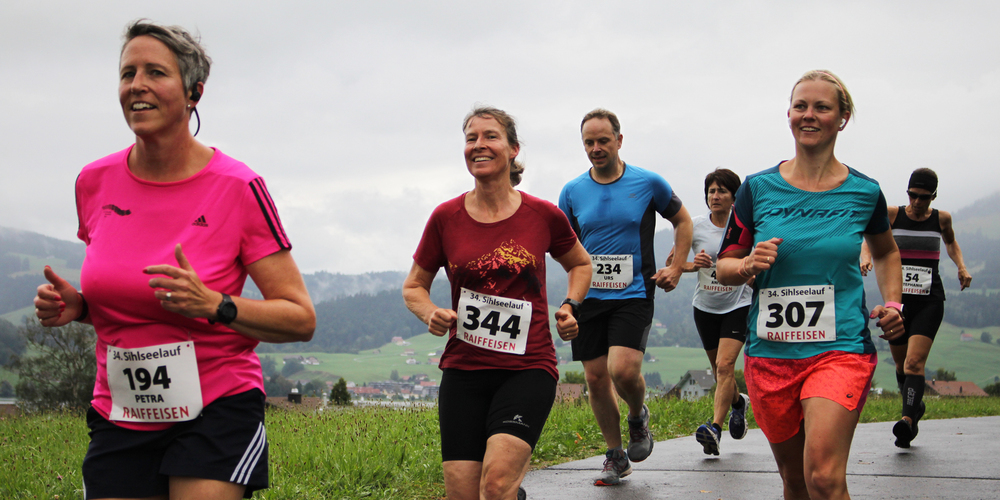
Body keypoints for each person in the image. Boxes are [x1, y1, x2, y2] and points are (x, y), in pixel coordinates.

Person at [33, 20, 316, 500]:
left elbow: (300, 318)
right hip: (123, 409)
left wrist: (215, 304)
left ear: (193, 92)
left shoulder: (238, 187)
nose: (136, 85)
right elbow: (127, 299)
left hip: (217, 407)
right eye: (128, 73)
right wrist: (79, 307)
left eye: (155, 72)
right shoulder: (93, 182)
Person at [715, 70, 904, 500]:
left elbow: (887, 251)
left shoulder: (863, 191)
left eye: (822, 107)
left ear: (843, 118)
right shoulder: (757, 188)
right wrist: (747, 263)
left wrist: (894, 302)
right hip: (771, 355)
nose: (809, 115)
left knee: (823, 476)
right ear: (788, 115)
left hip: (840, 351)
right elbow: (724, 267)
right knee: (795, 483)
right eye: (801, 106)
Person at [402, 106, 591, 500]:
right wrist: (430, 312)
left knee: (497, 484)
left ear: (512, 149)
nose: (478, 145)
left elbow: (580, 263)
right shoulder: (445, 217)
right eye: (471, 138)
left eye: (490, 136)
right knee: (462, 494)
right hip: (464, 370)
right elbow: (414, 286)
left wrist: (570, 305)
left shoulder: (543, 215)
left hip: (527, 368)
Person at [558, 108, 692, 486]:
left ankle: (637, 416)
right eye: (589, 142)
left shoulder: (648, 182)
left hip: (634, 292)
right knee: (597, 378)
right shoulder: (571, 191)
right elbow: (563, 244)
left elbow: (682, 220)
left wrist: (677, 266)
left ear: (619, 140)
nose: (596, 148)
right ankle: (615, 455)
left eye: (603, 140)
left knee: (623, 370)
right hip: (589, 296)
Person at [859, 167, 972, 448]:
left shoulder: (941, 219)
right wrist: (865, 256)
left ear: (933, 196)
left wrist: (961, 266)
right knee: (900, 365)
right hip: (897, 303)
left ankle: (907, 422)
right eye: (913, 195)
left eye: (924, 197)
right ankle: (915, 407)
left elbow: (950, 242)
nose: (917, 202)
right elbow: (869, 237)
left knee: (913, 363)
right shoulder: (893, 214)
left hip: (929, 301)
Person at [666, 168, 753, 455]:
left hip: (738, 303)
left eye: (721, 191)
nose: (715, 196)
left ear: (734, 197)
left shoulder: (744, 227)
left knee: (725, 367)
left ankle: (714, 428)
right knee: (720, 373)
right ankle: (738, 403)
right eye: (711, 191)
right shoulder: (695, 226)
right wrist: (694, 264)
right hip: (705, 306)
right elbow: (674, 263)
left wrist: (750, 270)